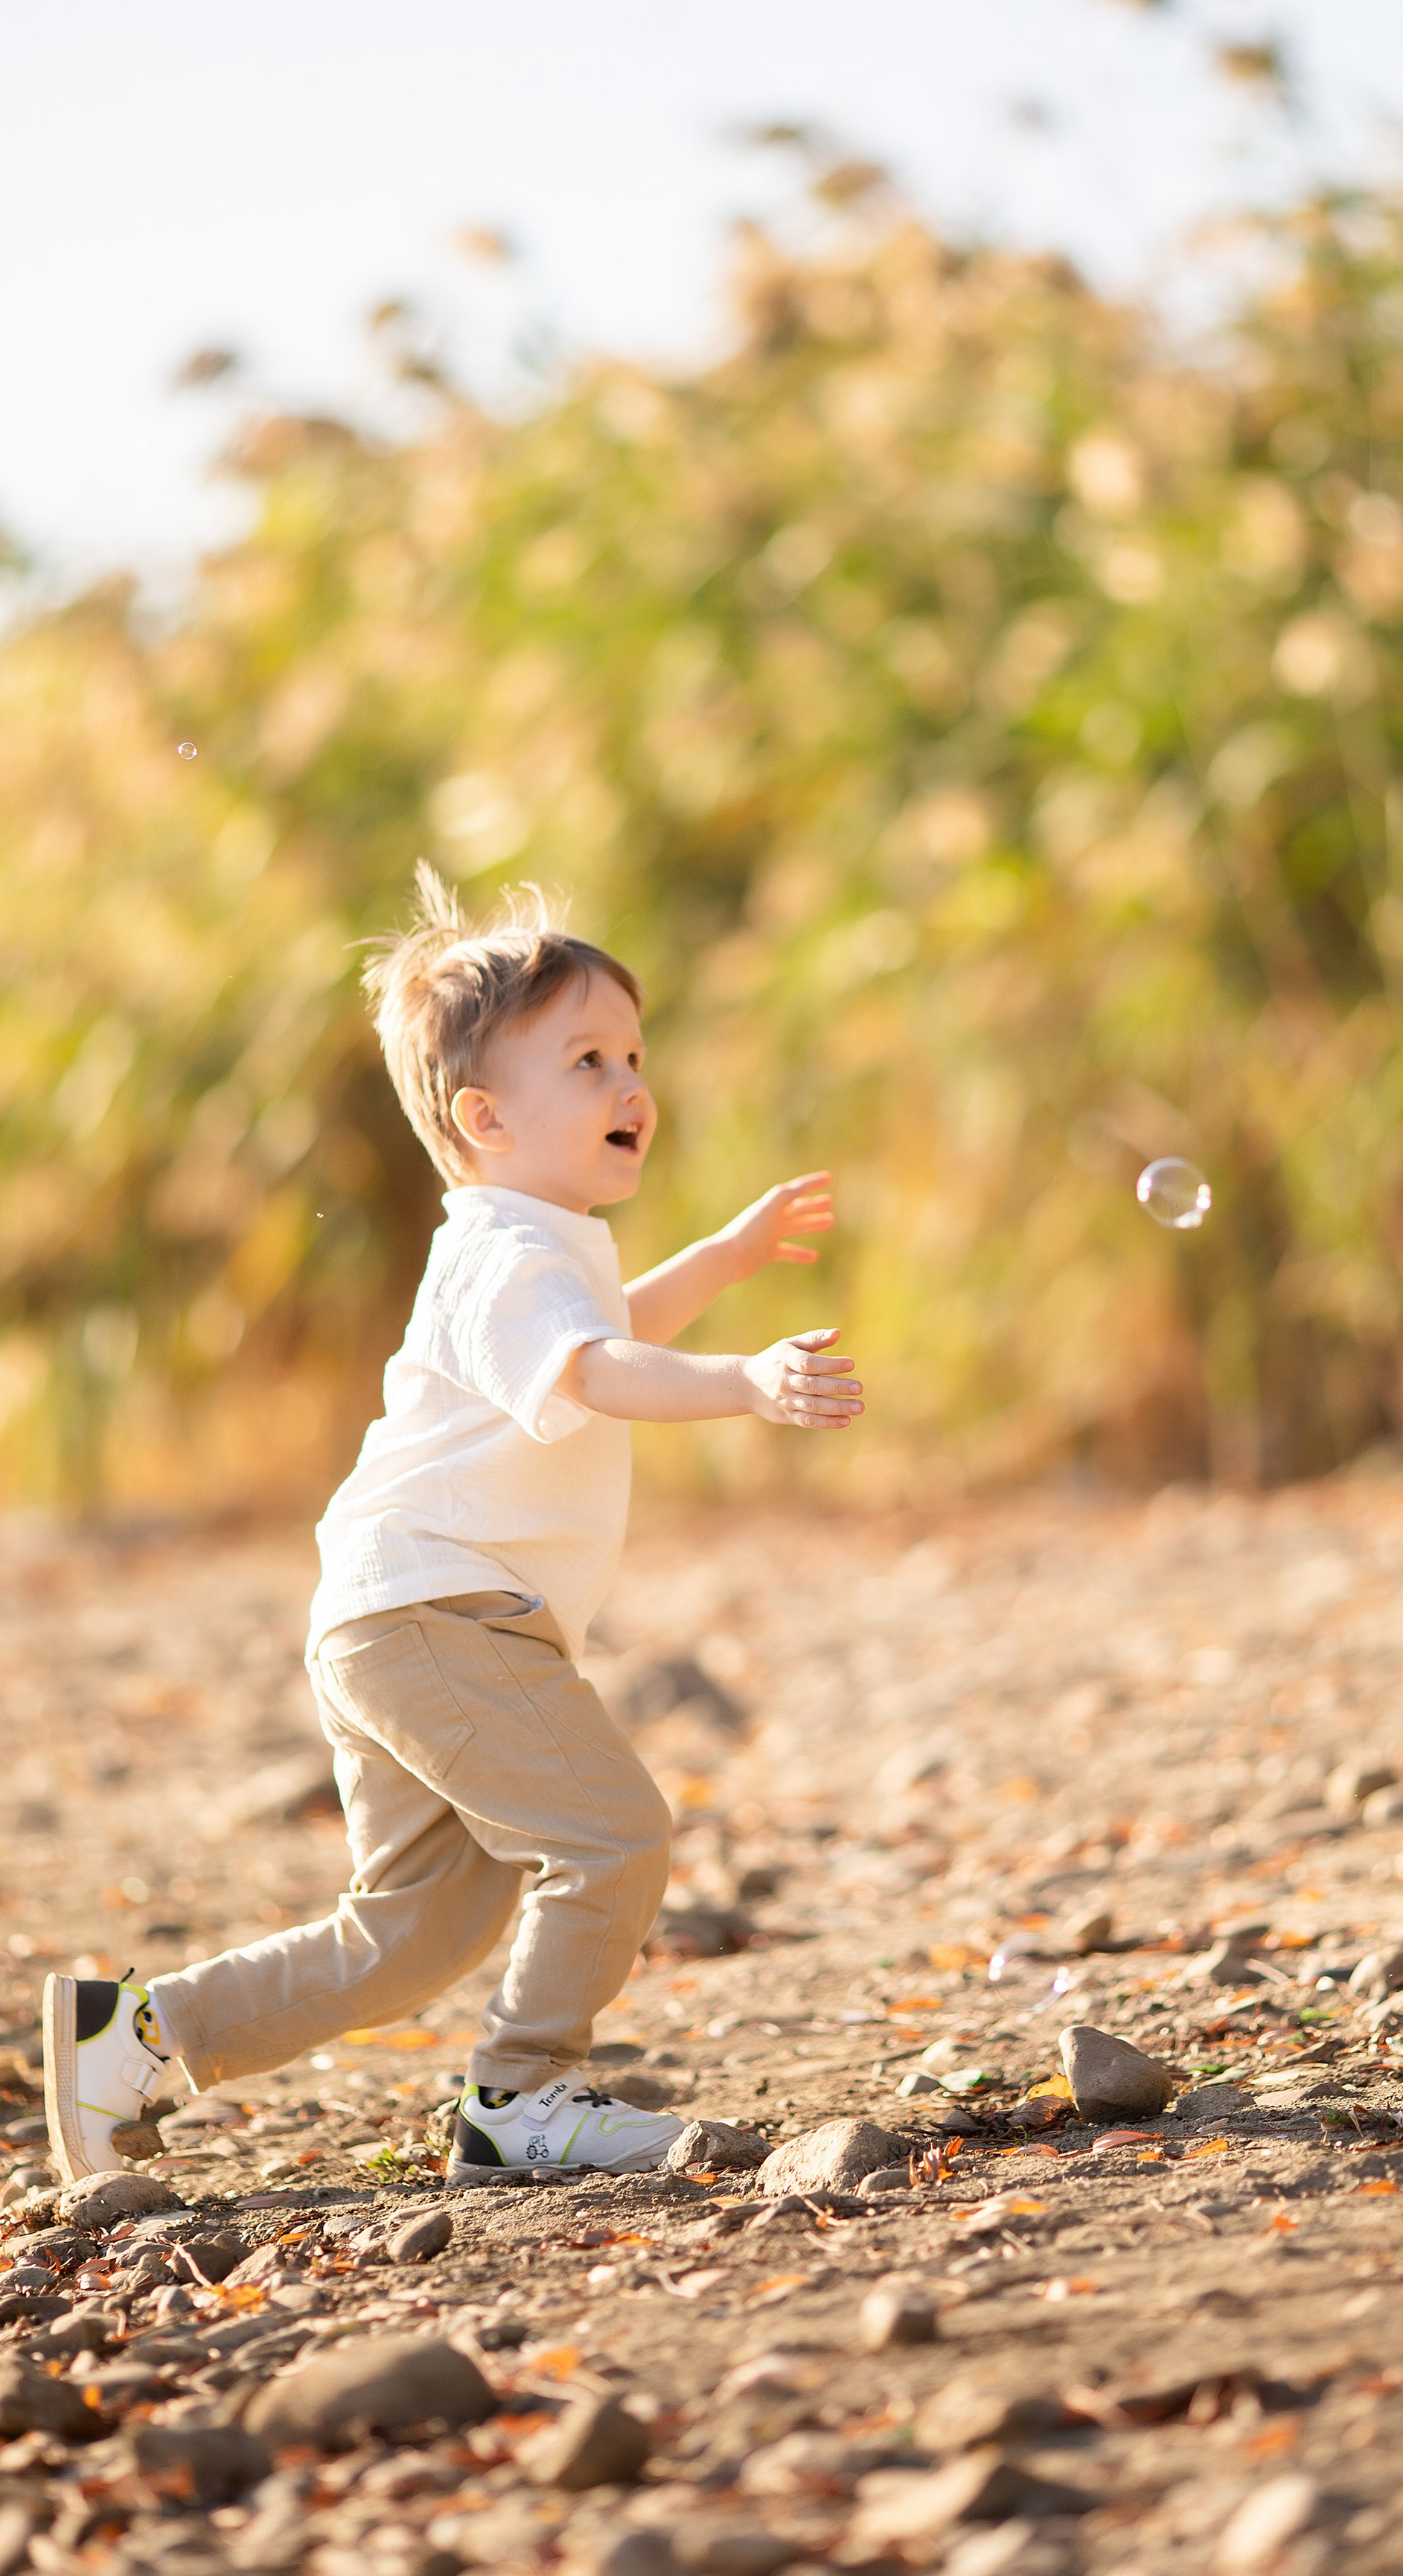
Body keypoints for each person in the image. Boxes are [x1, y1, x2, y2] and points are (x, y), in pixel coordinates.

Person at [42, 873, 863, 2186]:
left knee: (415, 1933)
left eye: (635, 1056)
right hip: (438, 1615)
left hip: (396, 1614)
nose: (631, 1087)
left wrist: (723, 1254)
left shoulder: (533, 1246)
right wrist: (747, 1382)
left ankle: (132, 2040)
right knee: (615, 1837)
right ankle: (522, 2097)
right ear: (484, 1118)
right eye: (587, 1060)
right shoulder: (509, 1256)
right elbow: (597, 1374)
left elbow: (608, 1331)